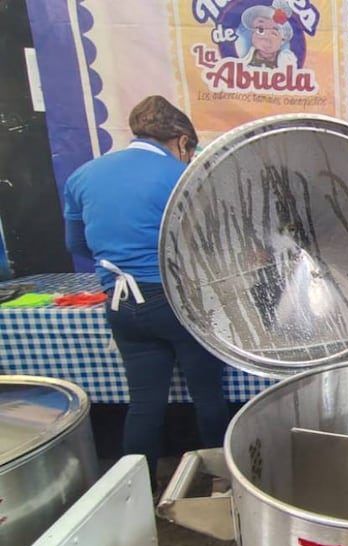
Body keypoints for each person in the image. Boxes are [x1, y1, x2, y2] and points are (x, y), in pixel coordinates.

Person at [63, 95, 230, 492]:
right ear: (182, 142)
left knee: (144, 403)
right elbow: (213, 245)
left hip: (123, 305)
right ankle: (224, 486)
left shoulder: (84, 175)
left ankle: (135, 492)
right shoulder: (182, 178)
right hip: (179, 301)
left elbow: (78, 244)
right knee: (207, 396)